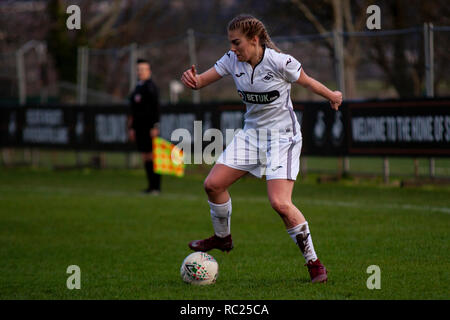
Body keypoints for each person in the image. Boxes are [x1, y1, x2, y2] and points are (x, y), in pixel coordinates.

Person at [180, 14, 342, 283]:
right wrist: (191, 79)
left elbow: (308, 81)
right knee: (213, 185)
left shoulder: (280, 62)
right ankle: (223, 239)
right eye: (231, 43)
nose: (232, 48)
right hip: (251, 136)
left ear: (254, 40)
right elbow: (200, 82)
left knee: (280, 203)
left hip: (282, 138)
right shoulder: (233, 60)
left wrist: (333, 96)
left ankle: (313, 262)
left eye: (237, 43)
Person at [128, 58, 161, 195]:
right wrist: (132, 128)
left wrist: (154, 125)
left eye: (143, 69)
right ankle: (150, 187)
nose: (140, 72)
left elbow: (155, 108)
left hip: (149, 127)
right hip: (139, 127)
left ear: (149, 71)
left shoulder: (151, 87)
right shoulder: (137, 87)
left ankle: (156, 187)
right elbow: (133, 110)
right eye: (138, 69)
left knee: (152, 156)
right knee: (145, 156)